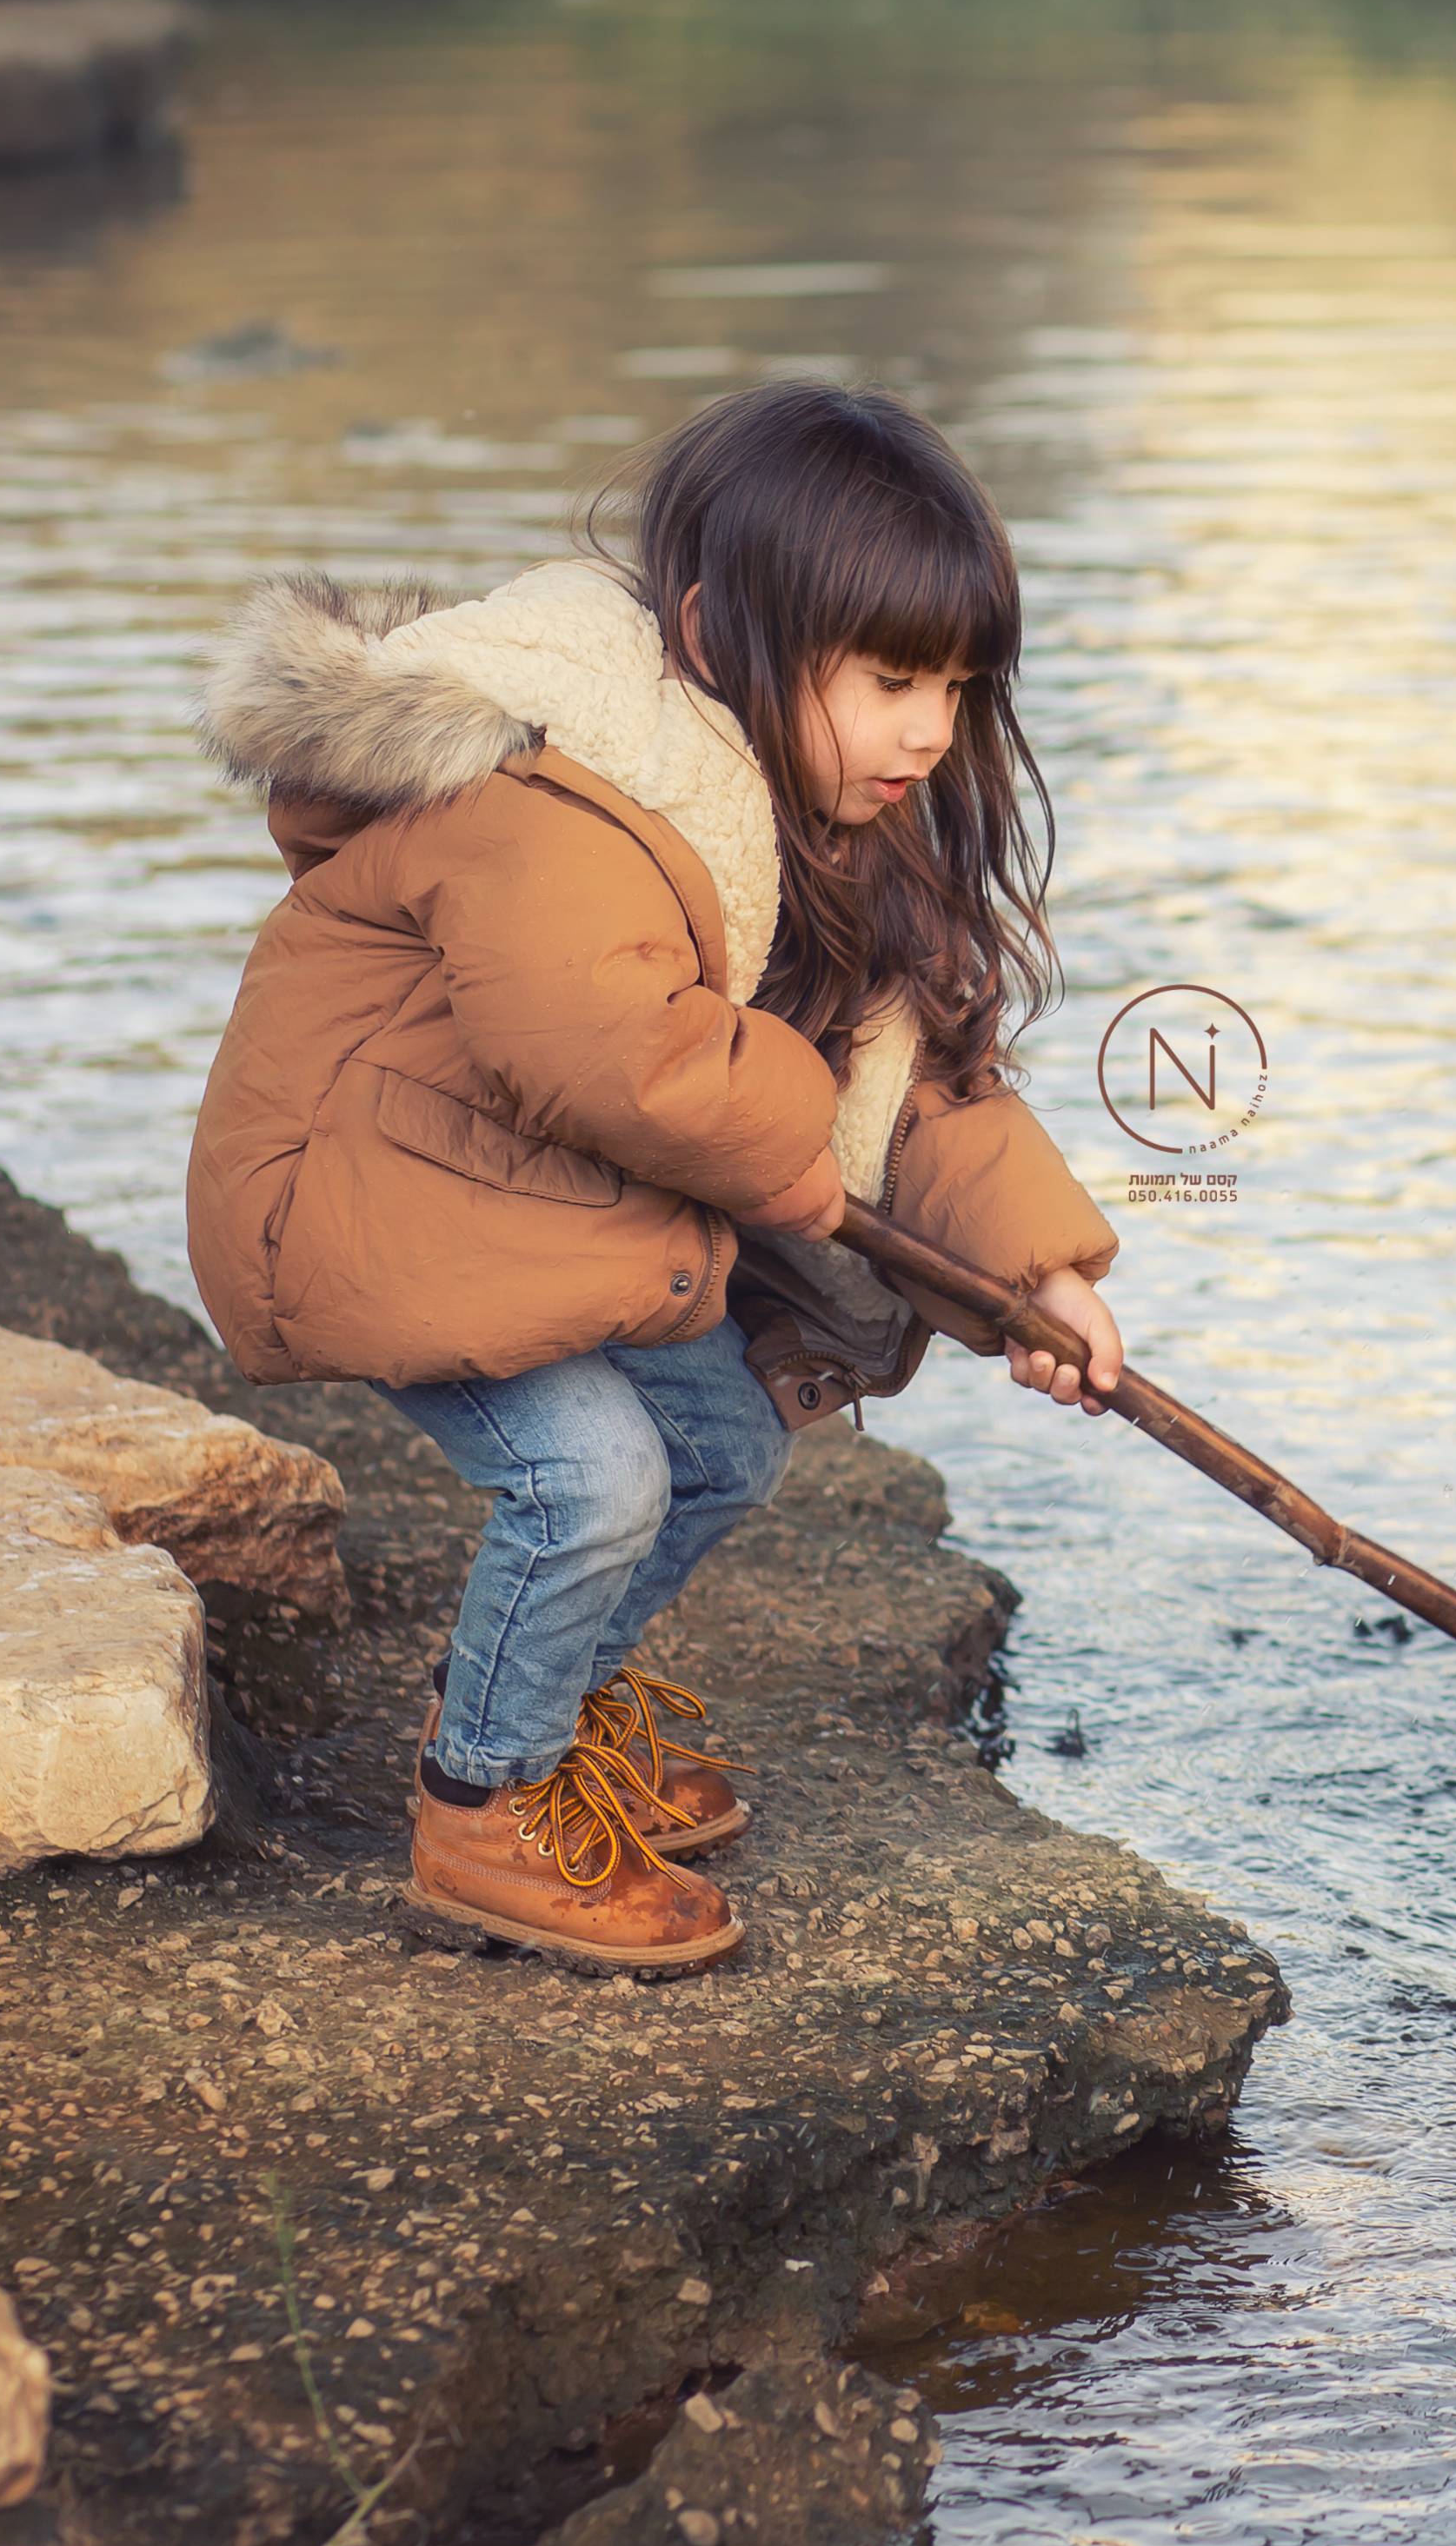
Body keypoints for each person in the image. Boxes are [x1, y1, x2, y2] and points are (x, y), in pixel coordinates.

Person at [182, 382, 1123, 1977]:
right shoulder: (552, 790)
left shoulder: (802, 809)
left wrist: (1040, 1278)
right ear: (718, 633)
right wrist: (796, 1142)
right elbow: (609, 1052)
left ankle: (536, 1708)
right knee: (592, 1480)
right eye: (891, 680)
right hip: (361, 1206)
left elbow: (904, 1089)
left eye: (957, 688)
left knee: (723, 1440)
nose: (930, 733)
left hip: (516, 1199)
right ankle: (484, 1807)